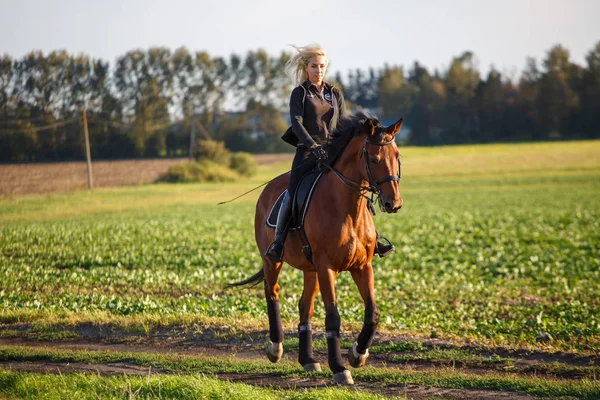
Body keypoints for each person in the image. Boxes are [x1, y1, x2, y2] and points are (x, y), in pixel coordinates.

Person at [264, 44, 394, 262]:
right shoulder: (300, 93)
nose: (319, 70)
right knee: (293, 192)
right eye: (314, 66)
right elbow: (296, 124)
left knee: (357, 189)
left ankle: (373, 237)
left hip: (332, 153)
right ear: (306, 68)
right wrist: (312, 145)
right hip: (307, 153)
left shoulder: (334, 93)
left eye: (322, 66)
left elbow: (343, 124)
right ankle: (278, 241)